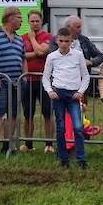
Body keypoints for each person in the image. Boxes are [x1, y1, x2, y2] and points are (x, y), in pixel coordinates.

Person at [43, 27, 90, 169]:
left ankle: (81, 159)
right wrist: (50, 90)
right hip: (58, 94)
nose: (64, 44)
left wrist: (81, 91)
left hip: (73, 94)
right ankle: (64, 159)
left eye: (67, 41)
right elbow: (45, 77)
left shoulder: (78, 55)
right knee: (61, 127)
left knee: (78, 127)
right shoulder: (52, 57)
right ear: (57, 41)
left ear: (71, 41)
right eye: (61, 41)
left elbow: (86, 75)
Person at [0, 6, 26, 154]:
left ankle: (7, 145)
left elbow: (23, 58)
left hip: (17, 82)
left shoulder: (19, 38)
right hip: (1, 83)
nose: (22, 22)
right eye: (20, 18)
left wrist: (25, 75)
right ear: (11, 18)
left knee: (13, 114)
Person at [19, 10, 55, 153]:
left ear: (41, 22)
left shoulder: (49, 36)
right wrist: (37, 52)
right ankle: (28, 144)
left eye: (37, 21)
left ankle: (49, 144)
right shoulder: (21, 38)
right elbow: (23, 56)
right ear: (29, 22)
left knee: (47, 113)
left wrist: (33, 39)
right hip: (28, 80)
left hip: (44, 80)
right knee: (28, 114)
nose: (35, 23)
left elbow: (43, 52)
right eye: (32, 21)